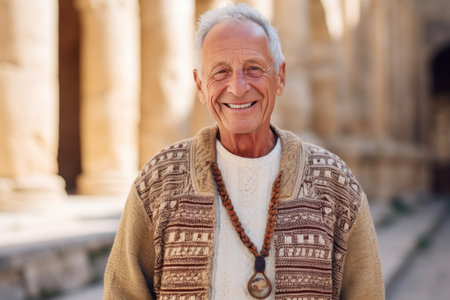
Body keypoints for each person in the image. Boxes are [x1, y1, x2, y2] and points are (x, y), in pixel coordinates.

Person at [103, 4, 384, 300]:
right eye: (221, 71)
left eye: (253, 68)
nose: (237, 87)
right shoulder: (160, 181)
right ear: (200, 85)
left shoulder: (335, 185)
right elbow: (123, 291)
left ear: (280, 77)